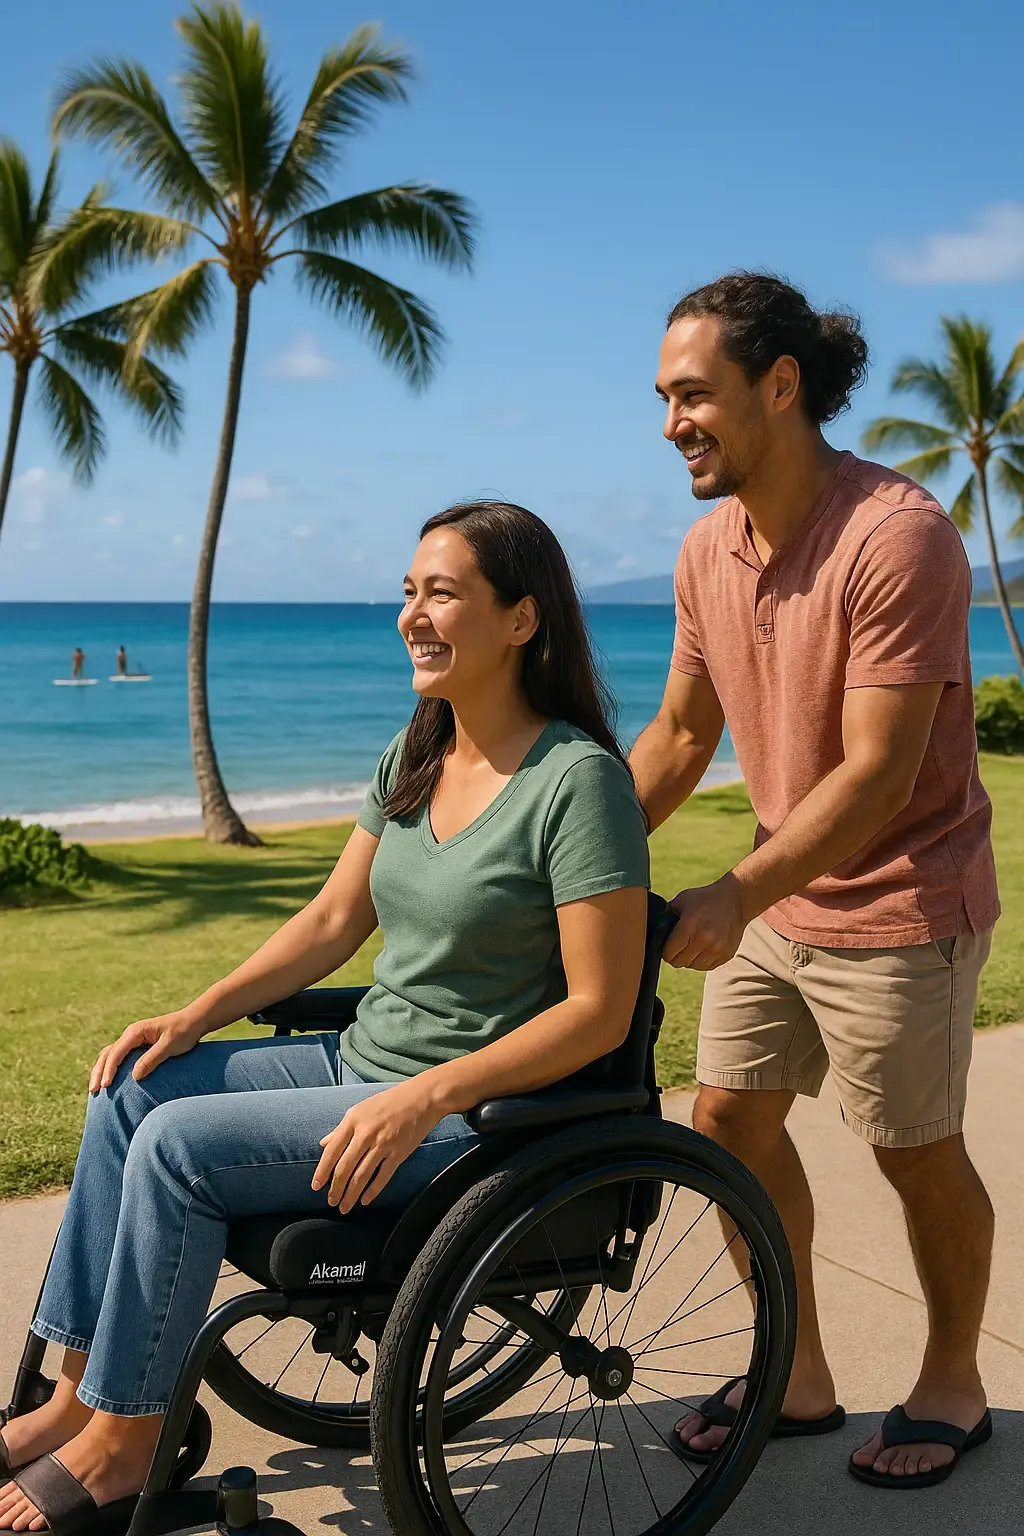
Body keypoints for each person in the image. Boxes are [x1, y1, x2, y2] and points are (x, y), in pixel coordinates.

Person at [0, 501, 650, 1531]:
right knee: (134, 1090)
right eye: (408, 591)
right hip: (363, 1061)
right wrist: (193, 1015)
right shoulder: (416, 751)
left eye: (442, 592)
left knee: (173, 1147)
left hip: (468, 1117)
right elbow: (333, 920)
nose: (412, 614)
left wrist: (424, 1095)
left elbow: (599, 1012)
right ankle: (76, 1403)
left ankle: (125, 1449)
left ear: (522, 620)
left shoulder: (578, 784)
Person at [629, 273, 998, 1491]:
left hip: (902, 898)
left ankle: (954, 1378)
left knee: (911, 1148)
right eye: (664, 398)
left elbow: (881, 775)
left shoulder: (897, 535)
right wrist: (567, 856)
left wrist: (731, 891)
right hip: (783, 898)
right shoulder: (705, 548)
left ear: (777, 385)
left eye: (693, 394)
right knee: (728, 1122)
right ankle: (797, 1375)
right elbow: (682, 737)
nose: (672, 420)